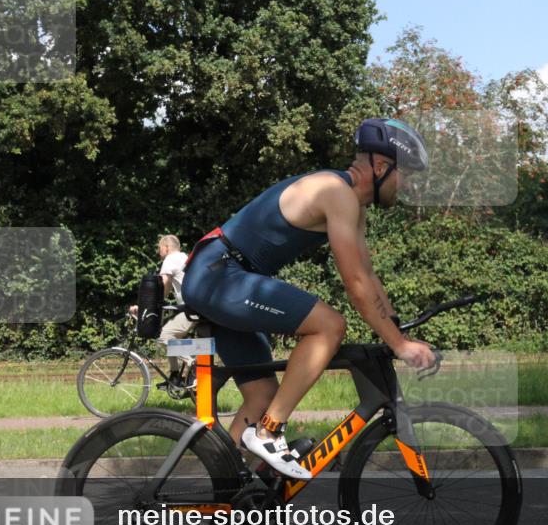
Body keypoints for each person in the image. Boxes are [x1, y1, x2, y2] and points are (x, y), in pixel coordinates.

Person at [181, 118, 436, 480]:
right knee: (329, 326)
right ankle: (269, 432)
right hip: (218, 275)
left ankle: (230, 494)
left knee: (262, 395)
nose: (407, 185)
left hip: (224, 277)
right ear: (381, 167)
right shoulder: (336, 192)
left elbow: (368, 277)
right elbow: (354, 283)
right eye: (406, 175)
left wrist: (398, 333)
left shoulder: (352, 205)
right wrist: (398, 345)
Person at [130, 235, 197, 384]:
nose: (158, 251)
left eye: (159, 248)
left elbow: (162, 286)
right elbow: (165, 291)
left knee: (163, 336)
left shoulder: (170, 259)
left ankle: (192, 364)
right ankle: (175, 376)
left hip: (192, 309)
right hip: (195, 307)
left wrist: (144, 306)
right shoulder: (184, 257)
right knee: (171, 337)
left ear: (166, 247)